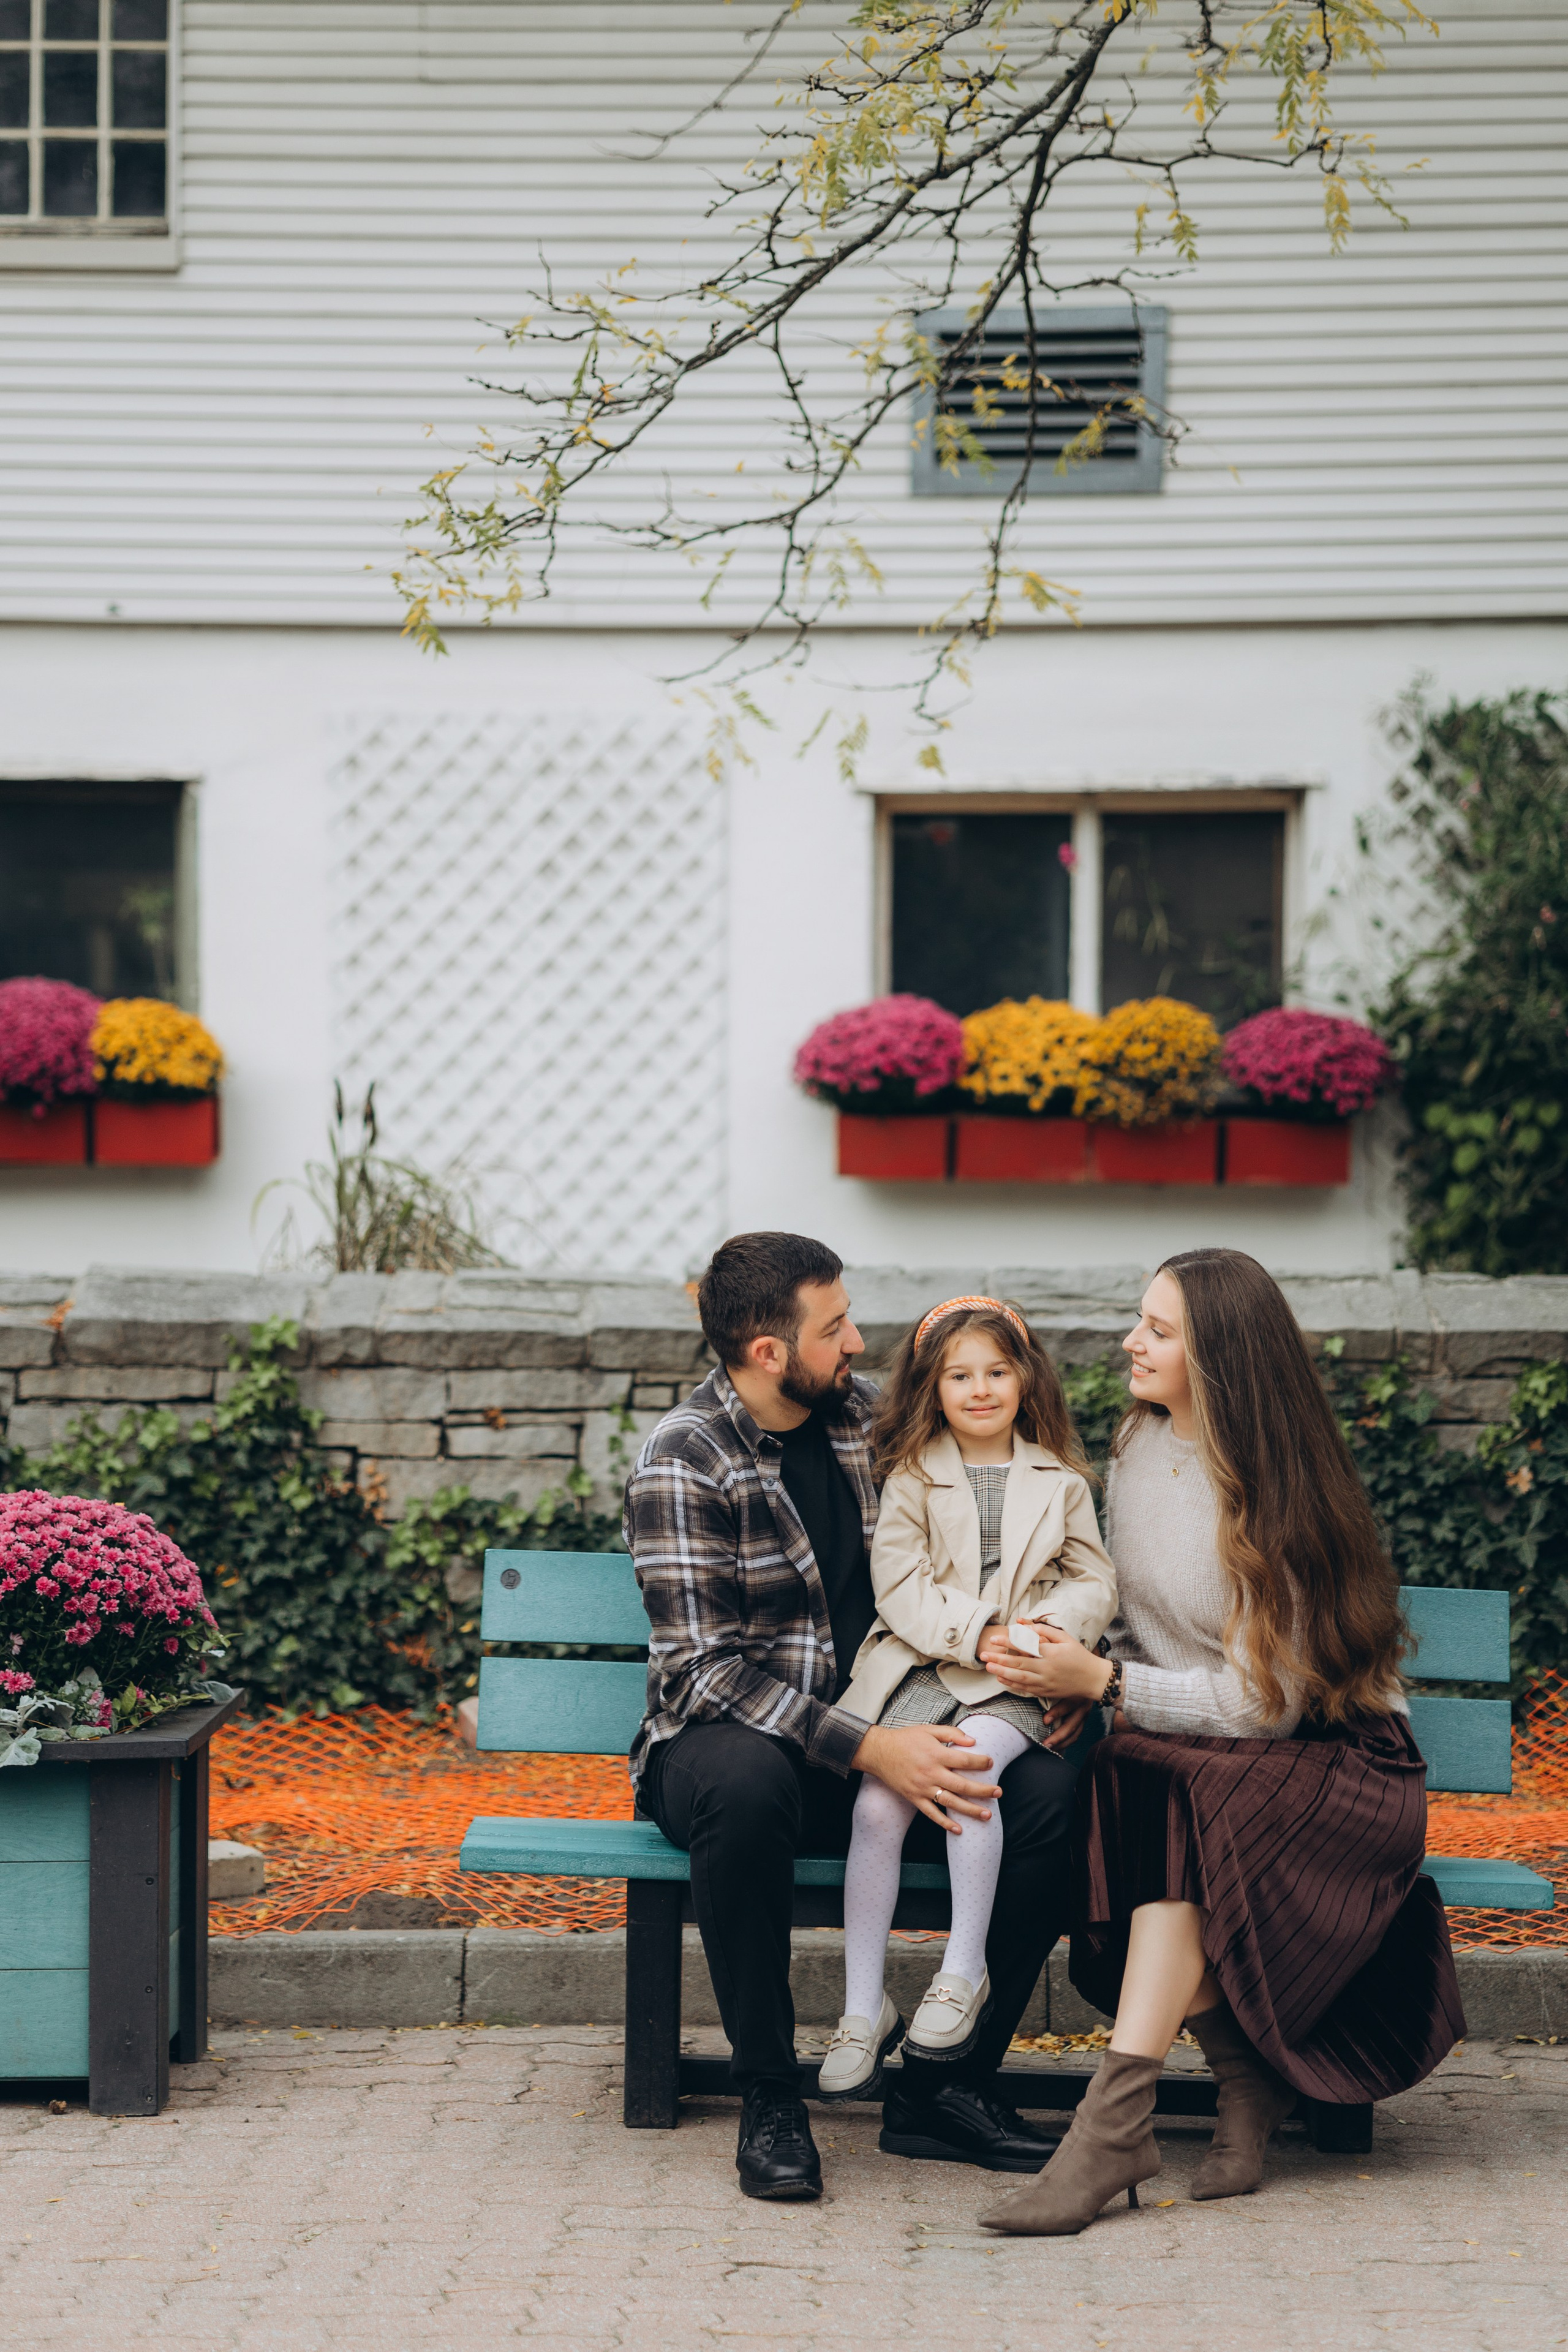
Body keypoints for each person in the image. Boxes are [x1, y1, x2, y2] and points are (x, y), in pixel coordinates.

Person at [974, 1247, 1467, 2237]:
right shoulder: (1137, 1448)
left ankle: (1111, 2126)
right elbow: (1136, 1622)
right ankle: (1241, 2079)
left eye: (1158, 1331)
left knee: (1183, 1794)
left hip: (1339, 1765)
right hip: (1208, 1761)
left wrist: (1109, 1686)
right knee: (1134, 1772)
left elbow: (1269, 1708)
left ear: (1220, 1359)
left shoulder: (1282, 1498)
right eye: (1141, 1320)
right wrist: (1081, 1678)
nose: (1131, 1341)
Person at [625, 1235, 1095, 2202]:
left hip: (900, 1716)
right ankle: (770, 2095)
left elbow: (1011, 1539)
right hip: (739, 1750)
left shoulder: (872, 1421)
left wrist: (1046, 1666)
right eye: (835, 1326)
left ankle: (943, 2088)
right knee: (745, 1783)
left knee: (1049, 1792)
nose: (857, 1341)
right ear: (769, 1352)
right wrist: (874, 1748)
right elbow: (707, 1674)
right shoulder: (686, 1456)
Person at [817, 1297, 1117, 2098]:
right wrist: (977, 1629)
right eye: (959, 1376)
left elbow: (1093, 1580)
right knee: (877, 1805)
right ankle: (862, 2007)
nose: (980, 1389)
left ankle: (961, 1971)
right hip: (926, 1664)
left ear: (1026, 1379)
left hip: (1019, 1675)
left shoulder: (1060, 1481)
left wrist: (1041, 1636)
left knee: (971, 1769)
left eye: (997, 1371)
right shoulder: (912, 1476)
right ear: (933, 1388)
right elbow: (899, 1582)